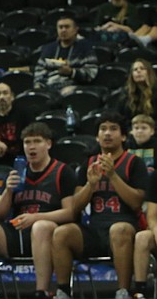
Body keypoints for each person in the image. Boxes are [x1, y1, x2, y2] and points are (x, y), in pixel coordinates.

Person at [0, 123, 77, 299]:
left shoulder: (63, 172)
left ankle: (41, 292)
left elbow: (70, 212)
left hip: (49, 233)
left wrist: (36, 217)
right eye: (27, 142)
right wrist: (8, 190)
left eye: (37, 141)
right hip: (18, 232)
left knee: (40, 227)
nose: (31, 147)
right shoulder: (17, 172)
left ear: (48, 144)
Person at [52, 114, 147, 299]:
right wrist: (91, 185)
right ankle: (62, 292)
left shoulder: (134, 163)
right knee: (61, 233)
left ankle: (123, 292)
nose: (107, 133)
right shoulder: (88, 163)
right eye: (103, 129)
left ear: (124, 136)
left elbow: (136, 202)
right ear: (97, 136)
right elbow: (75, 207)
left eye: (113, 129)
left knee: (118, 230)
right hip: (94, 231)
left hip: (125, 229)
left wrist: (112, 175)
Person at [34, 15, 98, 95]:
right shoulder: (48, 49)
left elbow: (91, 72)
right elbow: (39, 71)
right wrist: (38, 87)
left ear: (75, 30)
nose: (63, 30)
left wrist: (71, 72)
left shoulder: (85, 47)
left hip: (74, 87)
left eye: (67, 27)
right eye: (60, 27)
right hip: (49, 88)